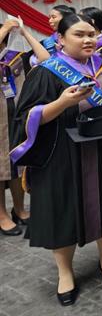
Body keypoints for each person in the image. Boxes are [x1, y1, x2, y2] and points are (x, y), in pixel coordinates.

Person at [11, 13, 102, 306]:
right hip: (60, 155)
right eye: (79, 34)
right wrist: (61, 103)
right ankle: (65, 272)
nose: (88, 39)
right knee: (62, 211)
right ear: (60, 39)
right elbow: (24, 118)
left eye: (91, 34)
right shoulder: (46, 72)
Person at [0, 19, 49, 236]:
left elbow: (45, 59)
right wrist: (5, 28)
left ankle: (19, 208)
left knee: (16, 164)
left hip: (16, 119)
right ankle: (1, 214)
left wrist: (24, 32)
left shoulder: (15, 57)